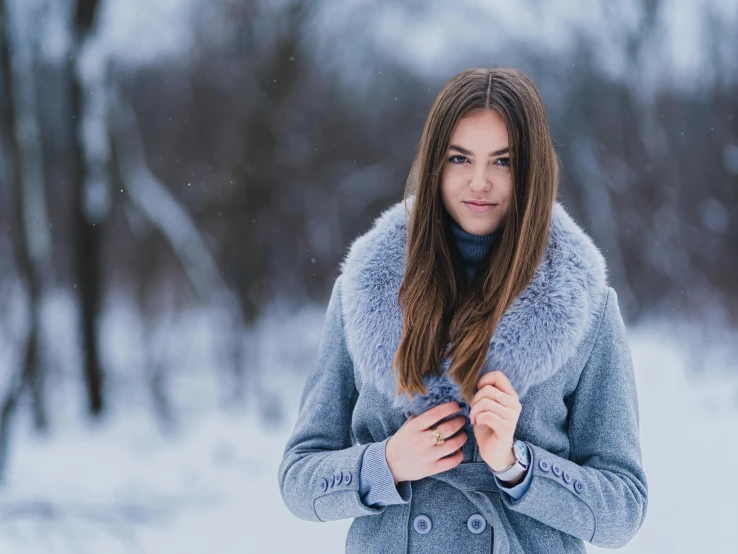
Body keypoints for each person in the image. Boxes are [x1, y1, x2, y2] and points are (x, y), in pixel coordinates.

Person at [277, 67, 648, 553]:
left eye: (503, 161)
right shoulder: (363, 292)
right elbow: (299, 477)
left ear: (531, 169)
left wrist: (518, 467)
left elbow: (624, 508)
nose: (479, 182)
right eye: (459, 158)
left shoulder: (587, 308)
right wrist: (385, 463)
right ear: (435, 162)